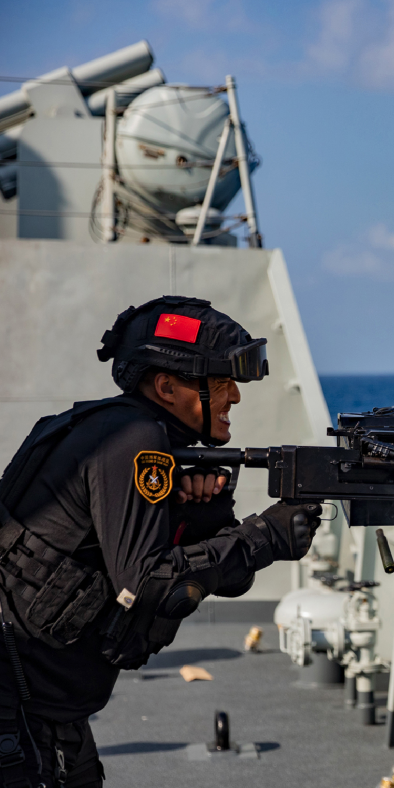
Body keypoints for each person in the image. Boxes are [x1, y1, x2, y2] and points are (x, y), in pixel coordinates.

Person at [0, 296, 321, 787]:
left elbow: (102, 552)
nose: (234, 397)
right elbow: (148, 585)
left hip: (42, 711)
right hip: (21, 719)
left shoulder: (104, 428)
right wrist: (263, 536)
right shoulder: (133, 439)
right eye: (220, 382)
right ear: (167, 386)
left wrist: (198, 521)